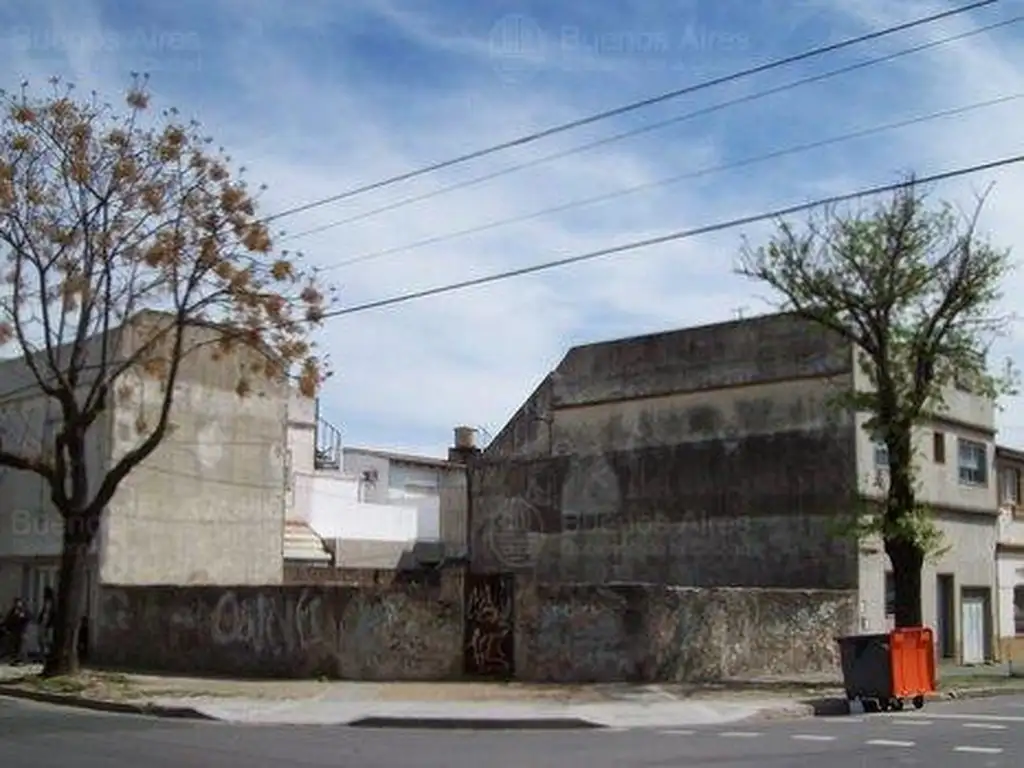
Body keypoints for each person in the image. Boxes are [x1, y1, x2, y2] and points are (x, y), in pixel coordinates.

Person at [2, 597, 30, 665]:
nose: (17, 604)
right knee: (14, 646)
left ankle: (22, 660)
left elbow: (28, 618)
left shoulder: (24, 611)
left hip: (22, 631)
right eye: (16, 603)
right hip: (14, 631)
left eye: (19, 603)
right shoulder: (12, 611)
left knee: (21, 646)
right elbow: (8, 620)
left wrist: (23, 617)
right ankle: (14, 660)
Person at [38, 587, 55, 659]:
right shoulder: (46, 603)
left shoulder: (52, 603)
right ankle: (43, 655)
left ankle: (48, 654)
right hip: (45, 622)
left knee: (47, 640)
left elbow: (50, 613)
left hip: (49, 624)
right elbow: (43, 611)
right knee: (41, 640)